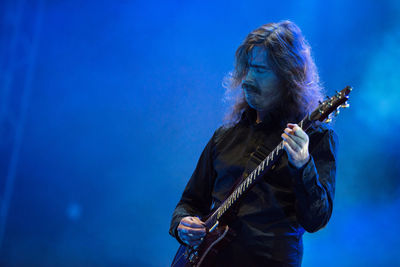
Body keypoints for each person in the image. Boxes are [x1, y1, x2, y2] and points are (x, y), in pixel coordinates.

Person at [169, 20, 337, 267]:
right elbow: (189, 203)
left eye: (259, 70)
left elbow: (316, 219)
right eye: (247, 68)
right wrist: (182, 225)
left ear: (287, 77)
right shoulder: (225, 135)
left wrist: (303, 164)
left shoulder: (315, 136)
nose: (247, 79)